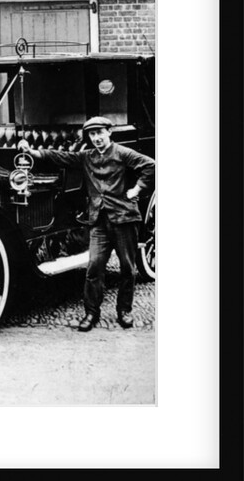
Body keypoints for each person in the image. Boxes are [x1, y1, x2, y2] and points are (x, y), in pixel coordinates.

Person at [18, 116, 155, 332]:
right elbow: (62, 157)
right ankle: (91, 313)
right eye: (92, 135)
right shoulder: (87, 156)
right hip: (98, 221)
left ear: (109, 132)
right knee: (94, 268)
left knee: (127, 268)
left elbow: (150, 165)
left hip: (124, 219)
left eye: (100, 133)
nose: (97, 138)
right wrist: (33, 152)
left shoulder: (122, 153)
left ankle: (124, 311)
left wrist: (137, 190)